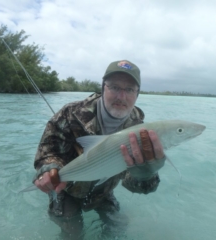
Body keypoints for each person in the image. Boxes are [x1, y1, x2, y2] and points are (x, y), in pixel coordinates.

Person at [33, 60, 166, 239]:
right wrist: (50, 169)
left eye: (129, 89)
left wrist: (146, 173)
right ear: (103, 87)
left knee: (118, 228)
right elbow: (48, 150)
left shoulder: (141, 133)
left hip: (103, 193)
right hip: (66, 191)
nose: (121, 96)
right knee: (72, 233)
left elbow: (133, 184)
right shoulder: (70, 113)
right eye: (114, 87)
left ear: (137, 94)